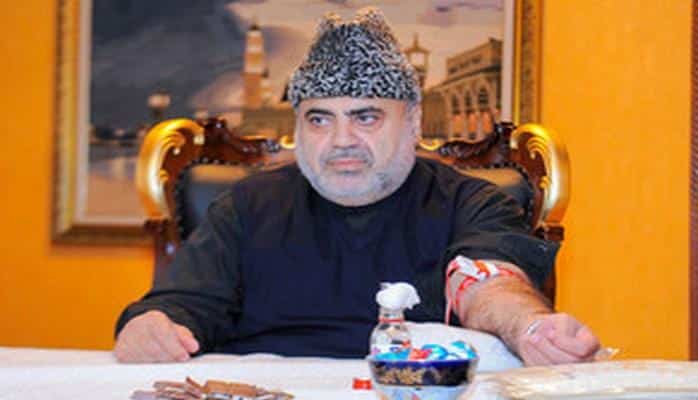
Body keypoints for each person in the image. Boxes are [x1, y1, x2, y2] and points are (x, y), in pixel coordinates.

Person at [114, 8, 600, 365]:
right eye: (320, 119)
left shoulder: (471, 202)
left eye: (365, 117)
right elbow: (183, 305)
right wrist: (151, 327)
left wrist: (529, 327)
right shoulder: (245, 206)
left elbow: (486, 285)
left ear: (412, 123)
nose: (341, 140)